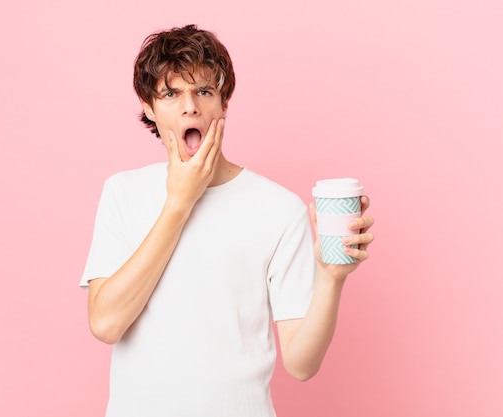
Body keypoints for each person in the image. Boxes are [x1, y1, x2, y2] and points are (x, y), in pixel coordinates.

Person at [80, 24, 375, 417]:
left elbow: (301, 365)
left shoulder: (279, 209)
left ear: (223, 103)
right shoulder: (122, 193)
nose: (190, 107)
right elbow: (105, 324)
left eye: (203, 91)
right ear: (149, 106)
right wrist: (178, 203)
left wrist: (331, 278)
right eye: (171, 94)